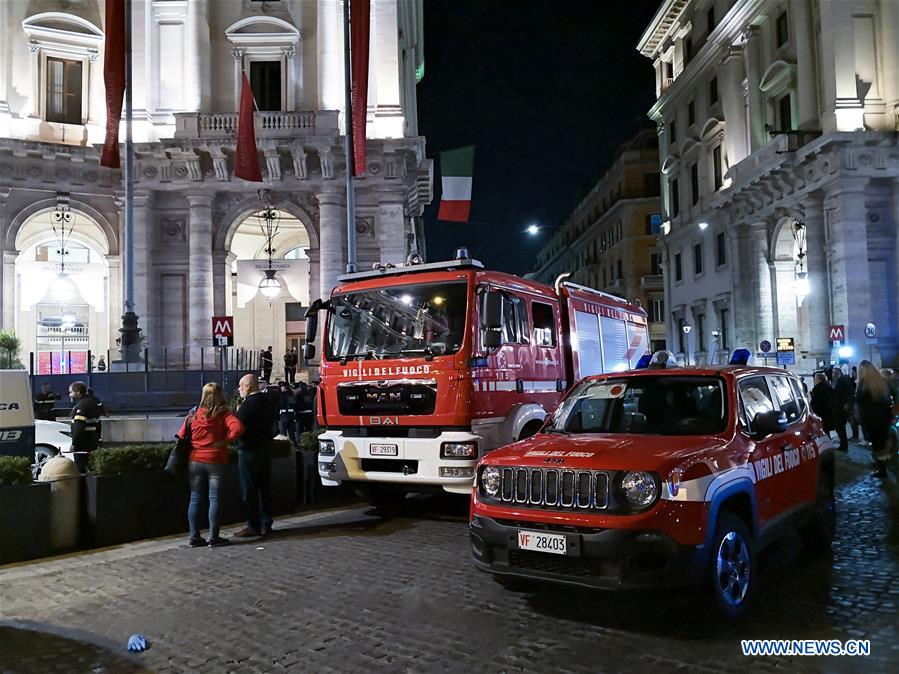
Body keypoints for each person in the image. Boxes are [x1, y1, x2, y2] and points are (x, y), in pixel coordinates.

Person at [179, 382, 244, 548]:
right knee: (214, 498)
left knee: (195, 498)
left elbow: (181, 434)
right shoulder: (224, 414)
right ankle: (214, 537)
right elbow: (238, 428)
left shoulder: (194, 414)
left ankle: (194, 537)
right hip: (215, 460)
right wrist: (225, 441)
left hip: (195, 460)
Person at [233, 373, 277, 538]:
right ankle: (267, 522)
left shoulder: (247, 406)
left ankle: (253, 525)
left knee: (249, 490)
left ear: (248, 386)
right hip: (265, 450)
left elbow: (237, 429)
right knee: (264, 488)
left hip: (249, 452)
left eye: (240, 386)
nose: (239, 389)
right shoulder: (268, 402)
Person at [855, 360, 894, 478]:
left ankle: (881, 469)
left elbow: (860, 404)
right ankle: (882, 466)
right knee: (881, 443)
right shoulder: (881, 382)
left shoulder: (863, 384)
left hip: (871, 420)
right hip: (884, 418)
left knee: (876, 445)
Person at [68, 381, 101, 473]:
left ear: (78, 392)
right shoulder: (92, 402)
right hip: (93, 440)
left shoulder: (81, 406)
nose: (69, 395)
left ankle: (83, 487)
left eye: (71, 392)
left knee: (81, 469)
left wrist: (74, 444)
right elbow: (98, 424)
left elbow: (78, 427)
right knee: (91, 469)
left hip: (83, 444)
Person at [810, 372, 840, 448]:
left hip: (821, 413)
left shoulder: (817, 389)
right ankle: (829, 443)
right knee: (827, 430)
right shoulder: (828, 387)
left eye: (815, 379)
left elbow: (815, 403)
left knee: (823, 430)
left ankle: (826, 445)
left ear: (819, 380)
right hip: (829, 412)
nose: (814, 380)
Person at [831, 366, 853, 452]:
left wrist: (847, 404)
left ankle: (844, 445)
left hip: (841, 408)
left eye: (835, 373)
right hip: (837, 407)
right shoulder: (836, 381)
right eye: (833, 373)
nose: (833, 374)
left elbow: (848, 394)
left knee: (840, 427)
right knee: (839, 427)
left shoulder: (843, 381)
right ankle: (843, 443)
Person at [277, 381, 299, 445]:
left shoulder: (288, 394)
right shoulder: (284, 394)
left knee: (288, 432)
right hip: (287, 414)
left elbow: (284, 404)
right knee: (286, 432)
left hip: (287, 415)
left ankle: (291, 445)